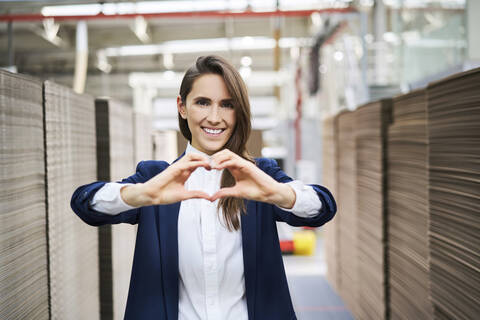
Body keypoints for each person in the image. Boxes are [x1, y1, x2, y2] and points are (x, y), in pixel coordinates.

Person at [70, 55, 336, 320]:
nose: (214, 117)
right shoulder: (156, 178)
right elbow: (84, 203)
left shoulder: (258, 176)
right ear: (182, 107)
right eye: (202, 103)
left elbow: (323, 207)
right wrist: (140, 194)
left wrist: (278, 193)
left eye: (227, 105)